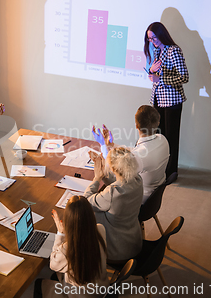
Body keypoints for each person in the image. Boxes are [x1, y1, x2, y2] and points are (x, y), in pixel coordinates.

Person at [34, 196, 108, 298]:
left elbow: (53, 264)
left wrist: (60, 234)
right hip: (101, 289)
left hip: (80, 295)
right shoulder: (100, 229)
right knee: (56, 276)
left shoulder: (68, 248)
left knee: (39, 283)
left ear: (69, 221)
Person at [93, 105, 169, 204]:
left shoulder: (140, 157)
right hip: (153, 197)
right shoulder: (162, 139)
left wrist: (103, 145)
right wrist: (111, 145)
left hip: (137, 201)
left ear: (136, 126)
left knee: (102, 179)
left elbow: (112, 168)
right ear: (158, 123)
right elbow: (133, 152)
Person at [144, 22, 189, 179]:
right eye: (150, 39)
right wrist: (151, 72)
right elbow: (156, 72)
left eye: (154, 38)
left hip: (172, 102)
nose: (152, 42)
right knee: (159, 136)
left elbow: (184, 77)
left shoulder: (174, 51)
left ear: (162, 34)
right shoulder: (158, 51)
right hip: (158, 99)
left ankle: (171, 172)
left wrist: (160, 78)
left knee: (171, 138)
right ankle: (161, 170)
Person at [84, 147, 143, 261]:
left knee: (82, 216)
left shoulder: (112, 192)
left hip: (116, 251)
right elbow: (121, 182)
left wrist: (96, 179)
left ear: (113, 168)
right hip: (133, 243)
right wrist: (103, 171)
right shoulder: (137, 179)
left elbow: (85, 202)